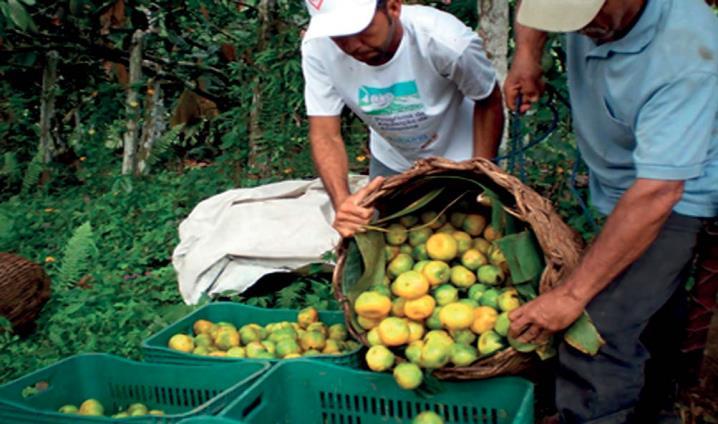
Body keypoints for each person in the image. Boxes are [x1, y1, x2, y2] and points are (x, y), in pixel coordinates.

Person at [504, 0, 718, 422]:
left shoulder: (686, 55)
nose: (580, 30)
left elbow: (657, 194)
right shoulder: (595, 13)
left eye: (587, 18)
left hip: (674, 192)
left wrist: (571, 295)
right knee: (648, 310)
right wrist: (526, 55)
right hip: (627, 183)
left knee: (595, 331)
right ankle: (652, 409)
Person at [301, 0, 504, 238]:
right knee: (391, 237)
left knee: (478, 236)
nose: (353, 45)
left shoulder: (445, 40)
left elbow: (488, 100)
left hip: (463, 157)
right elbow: (325, 132)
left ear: (393, 7)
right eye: (339, 36)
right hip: (392, 159)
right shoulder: (319, 48)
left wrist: (479, 172)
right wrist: (343, 203)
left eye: (361, 30)